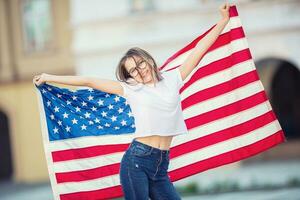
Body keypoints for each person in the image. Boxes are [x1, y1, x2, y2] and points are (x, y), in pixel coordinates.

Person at [33, 2, 230, 199]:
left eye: (140, 63)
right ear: (131, 76)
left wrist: (223, 21)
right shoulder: (132, 89)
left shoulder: (173, 77)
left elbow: (199, 50)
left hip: (161, 166)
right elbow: (89, 81)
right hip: (137, 161)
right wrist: (49, 77)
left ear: (149, 60)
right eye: (133, 70)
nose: (140, 70)